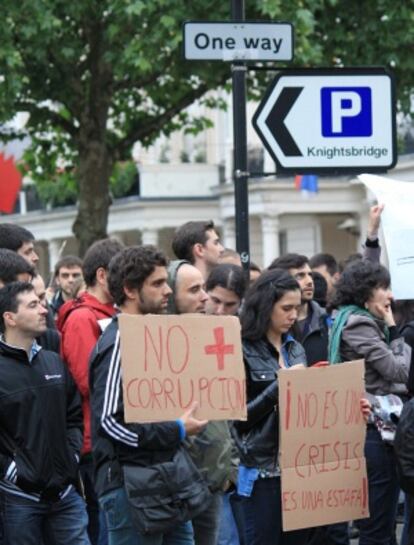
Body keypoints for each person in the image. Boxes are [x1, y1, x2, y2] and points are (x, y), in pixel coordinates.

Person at [89, 245, 209, 545]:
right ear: (130, 290)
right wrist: (177, 429)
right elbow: (109, 422)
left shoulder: (155, 334)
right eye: (157, 283)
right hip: (129, 487)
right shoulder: (118, 341)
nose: (167, 290)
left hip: (166, 479)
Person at [328, 259, 411, 545]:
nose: (390, 295)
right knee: (377, 526)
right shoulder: (360, 323)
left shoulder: (349, 318)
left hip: (373, 429)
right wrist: (395, 328)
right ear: (365, 291)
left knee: (381, 524)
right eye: (383, 287)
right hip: (373, 432)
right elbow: (401, 371)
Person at [0, 282, 90, 545]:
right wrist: (13, 473)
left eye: (41, 303)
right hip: (19, 500)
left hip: (65, 497)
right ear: (10, 318)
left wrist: (72, 456)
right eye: (33, 305)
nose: (43, 310)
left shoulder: (53, 361)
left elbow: (74, 417)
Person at [232, 268, 308, 545]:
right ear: (265, 306)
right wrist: (280, 387)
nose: (293, 316)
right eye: (286, 308)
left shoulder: (295, 348)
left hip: (299, 472)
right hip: (259, 474)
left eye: (297, 309)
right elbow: (237, 418)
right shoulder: (240, 349)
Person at [57, 238, 124, 545]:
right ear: (101, 275)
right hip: (94, 442)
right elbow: (88, 381)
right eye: (121, 273)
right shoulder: (83, 318)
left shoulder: (112, 312)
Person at [167, 259, 232, 545]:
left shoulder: (215, 335)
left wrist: (230, 465)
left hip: (211, 477)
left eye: (204, 288)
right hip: (170, 481)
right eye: (194, 290)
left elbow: (226, 412)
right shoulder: (148, 344)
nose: (204, 297)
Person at [268, 254, 329, 366]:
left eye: (310, 275)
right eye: (300, 276)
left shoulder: (327, 320)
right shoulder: (270, 326)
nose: (309, 281)